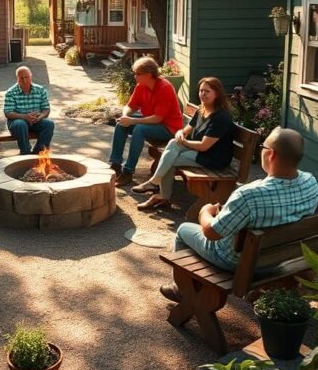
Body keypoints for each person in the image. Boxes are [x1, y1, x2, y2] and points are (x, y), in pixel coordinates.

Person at [160, 126, 318, 300]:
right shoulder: (311, 182)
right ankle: (261, 292)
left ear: (271, 154)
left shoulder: (249, 195)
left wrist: (205, 213)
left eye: (262, 148)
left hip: (240, 263)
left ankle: (182, 289)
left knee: (183, 230)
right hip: (282, 258)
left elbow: (212, 233)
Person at [134, 76, 235, 211]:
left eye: (207, 91)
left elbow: (205, 146)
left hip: (213, 158)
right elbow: (185, 130)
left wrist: (184, 142)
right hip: (199, 152)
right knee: (172, 148)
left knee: (170, 159)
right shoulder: (201, 110)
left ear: (217, 93)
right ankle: (158, 188)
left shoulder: (220, 118)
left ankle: (160, 192)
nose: (203, 94)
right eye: (201, 91)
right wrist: (180, 134)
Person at [108, 56, 183, 186]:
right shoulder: (141, 86)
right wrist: (126, 117)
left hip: (169, 128)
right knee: (121, 124)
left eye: (138, 74)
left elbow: (158, 118)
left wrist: (132, 120)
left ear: (148, 75)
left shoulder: (165, 88)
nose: (135, 76)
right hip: (152, 123)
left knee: (139, 129)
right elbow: (130, 106)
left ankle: (128, 172)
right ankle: (116, 165)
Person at [4, 66, 54, 155]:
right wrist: (25, 117)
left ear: (31, 76)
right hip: (17, 122)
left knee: (49, 124)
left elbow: (46, 109)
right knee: (21, 124)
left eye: (26, 77)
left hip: (35, 121)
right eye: (21, 78)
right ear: (17, 79)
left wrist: (40, 116)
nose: (24, 80)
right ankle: (25, 153)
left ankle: (39, 152)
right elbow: (8, 113)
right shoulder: (11, 92)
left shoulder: (40, 90)